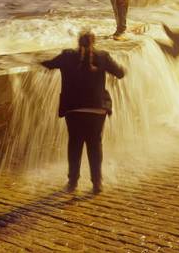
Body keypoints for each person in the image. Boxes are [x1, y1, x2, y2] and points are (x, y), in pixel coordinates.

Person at [41, 31, 125, 194]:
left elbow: (48, 65)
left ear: (78, 42)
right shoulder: (102, 56)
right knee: (95, 145)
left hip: (74, 109)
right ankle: (97, 183)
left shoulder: (67, 56)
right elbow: (120, 73)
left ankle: (72, 182)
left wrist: (32, 60)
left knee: (75, 144)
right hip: (97, 109)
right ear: (94, 42)